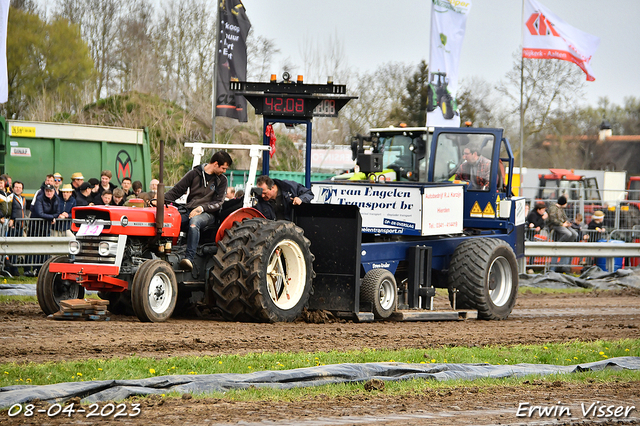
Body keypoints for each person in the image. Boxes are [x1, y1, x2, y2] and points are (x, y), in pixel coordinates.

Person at [165, 151, 232, 271]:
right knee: (170, 221)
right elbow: (176, 191)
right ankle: (165, 253)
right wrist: (159, 200)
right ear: (216, 164)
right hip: (189, 210)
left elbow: (219, 202)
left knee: (194, 222)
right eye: (223, 168)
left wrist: (202, 208)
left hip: (208, 214)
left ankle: (189, 259)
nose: (224, 171)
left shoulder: (222, 180)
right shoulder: (194, 174)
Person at [8, 181, 27, 276]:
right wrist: (12, 220)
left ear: (22, 189)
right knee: (11, 247)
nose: (18, 189)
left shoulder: (23, 199)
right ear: (13, 188)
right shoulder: (11, 198)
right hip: (13, 225)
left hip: (21, 226)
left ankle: (15, 266)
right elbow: (10, 210)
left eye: (20, 187)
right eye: (16, 187)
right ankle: (12, 268)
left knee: (17, 248)